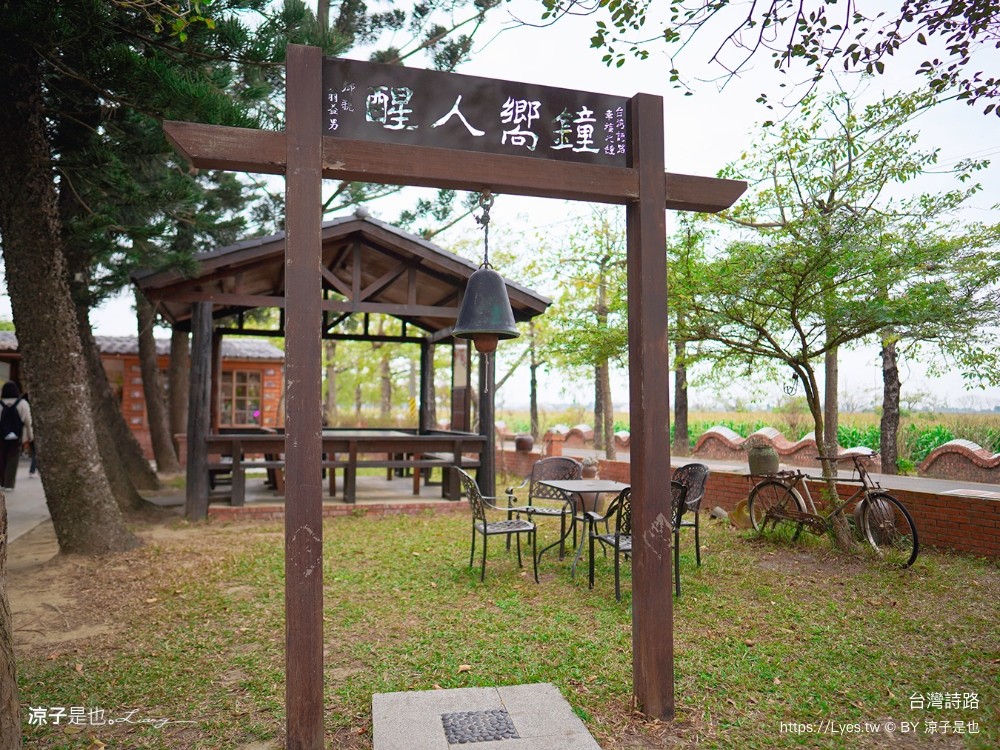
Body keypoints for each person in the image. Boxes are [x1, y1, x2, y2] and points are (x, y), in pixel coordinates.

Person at [0, 381, 32, 491]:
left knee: (1, 458)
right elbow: (28, 421)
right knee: (12, 459)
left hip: (1, 436)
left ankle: (2, 482)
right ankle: (9, 484)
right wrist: (30, 436)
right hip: (17, 436)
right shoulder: (22, 403)